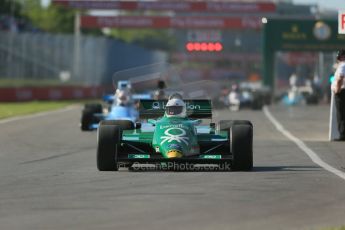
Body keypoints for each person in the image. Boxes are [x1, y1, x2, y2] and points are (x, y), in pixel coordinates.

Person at [331, 49, 345, 141]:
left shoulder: (343, 65)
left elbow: (340, 78)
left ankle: (342, 135)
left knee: (341, 114)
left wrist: (337, 89)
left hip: (342, 92)